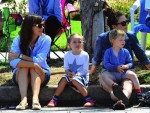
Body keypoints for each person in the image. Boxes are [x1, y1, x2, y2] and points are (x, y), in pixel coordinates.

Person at [90, 8, 150, 109]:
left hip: (126, 71)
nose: (126, 25)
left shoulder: (130, 36)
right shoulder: (102, 38)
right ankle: (120, 100)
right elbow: (97, 59)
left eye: (127, 22)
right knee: (108, 84)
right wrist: (91, 73)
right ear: (114, 27)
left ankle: (121, 100)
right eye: (123, 23)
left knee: (128, 85)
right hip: (108, 72)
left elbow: (142, 57)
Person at [8, 15, 52, 110]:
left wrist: (21, 56)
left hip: (42, 73)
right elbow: (12, 61)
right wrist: (33, 64)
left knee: (32, 69)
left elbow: (40, 60)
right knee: (25, 68)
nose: (42, 28)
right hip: (21, 74)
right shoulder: (18, 40)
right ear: (30, 26)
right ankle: (23, 100)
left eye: (43, 25)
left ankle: (35, 100)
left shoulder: (46, 39)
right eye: (39, 25)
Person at [47, 34, 95, 107]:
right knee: (64, 79)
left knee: (74, 80)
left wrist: (77, 75)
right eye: (74, 42)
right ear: (69, 44)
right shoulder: (67, 55)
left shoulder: (85, 55)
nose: (77, 44)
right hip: (71, 75)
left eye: (79, 42)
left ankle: (88, 99)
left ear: (82, 43)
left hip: (82, 77)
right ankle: (54, 99)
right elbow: (66, 68)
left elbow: (85, 70)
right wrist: (68, 72)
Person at [103, 29, 141, 109]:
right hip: (112, 72)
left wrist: (126, 66)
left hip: (123, 72)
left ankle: (139, 94)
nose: (123, 42)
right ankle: (115, 86)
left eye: (124, 40)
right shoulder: (108, 52)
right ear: (113, 40)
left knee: (133, 75)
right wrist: (115, 67)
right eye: (120, 40)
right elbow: (106, 64)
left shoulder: (125, 51)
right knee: (104, 75)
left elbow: (130, 62)